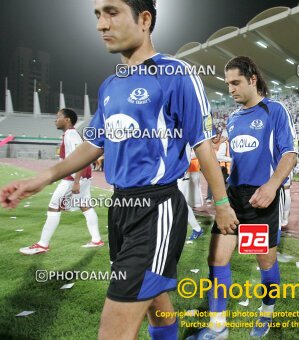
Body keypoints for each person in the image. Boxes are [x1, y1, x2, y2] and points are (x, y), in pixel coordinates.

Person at [1, 1, 238, 339]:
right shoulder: (111, 85)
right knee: (156, 303)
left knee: (114, 324)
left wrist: (223, 204)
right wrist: (44, 177)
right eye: (97, 15)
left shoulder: (176, 74)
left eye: (111, 12)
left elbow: (201, 143)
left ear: (144, 19)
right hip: (120, 207)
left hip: (156, 209)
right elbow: (94, 143)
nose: (101, 24)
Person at [188, 56, 297, 339]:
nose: (231, 89)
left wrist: (273, 185)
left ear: (253, 79)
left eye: (236, 82)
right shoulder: (233, 119)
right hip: (234, 198)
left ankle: (267, 312)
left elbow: (290, 153)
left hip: (261, 199)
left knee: (265, 264)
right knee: (217, 258)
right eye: (228, 84)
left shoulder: (274, 110)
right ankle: (217, 325)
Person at [19, 108, 103, 255]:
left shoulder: (71, 135)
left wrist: (76, 181)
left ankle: (42, 244)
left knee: (54, 207)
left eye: (58, 117)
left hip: (73, 179)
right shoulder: (69, 135)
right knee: (86, 207)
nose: (55, 120)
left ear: (67, 119)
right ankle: (96, 240)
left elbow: (80, 159)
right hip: (79, 178)